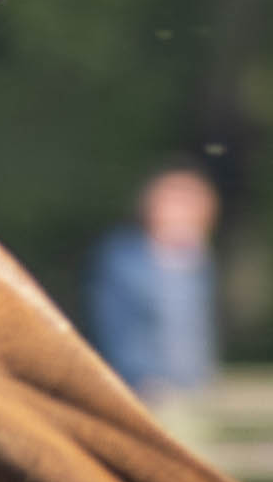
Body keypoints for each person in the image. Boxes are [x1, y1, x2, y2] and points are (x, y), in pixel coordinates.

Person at [79, 163, 226, 413]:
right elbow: (114, 327)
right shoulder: (122, 259)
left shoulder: (198, 262)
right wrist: (142, 377)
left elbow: (196, 331)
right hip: (139, 389)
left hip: (191, 389)